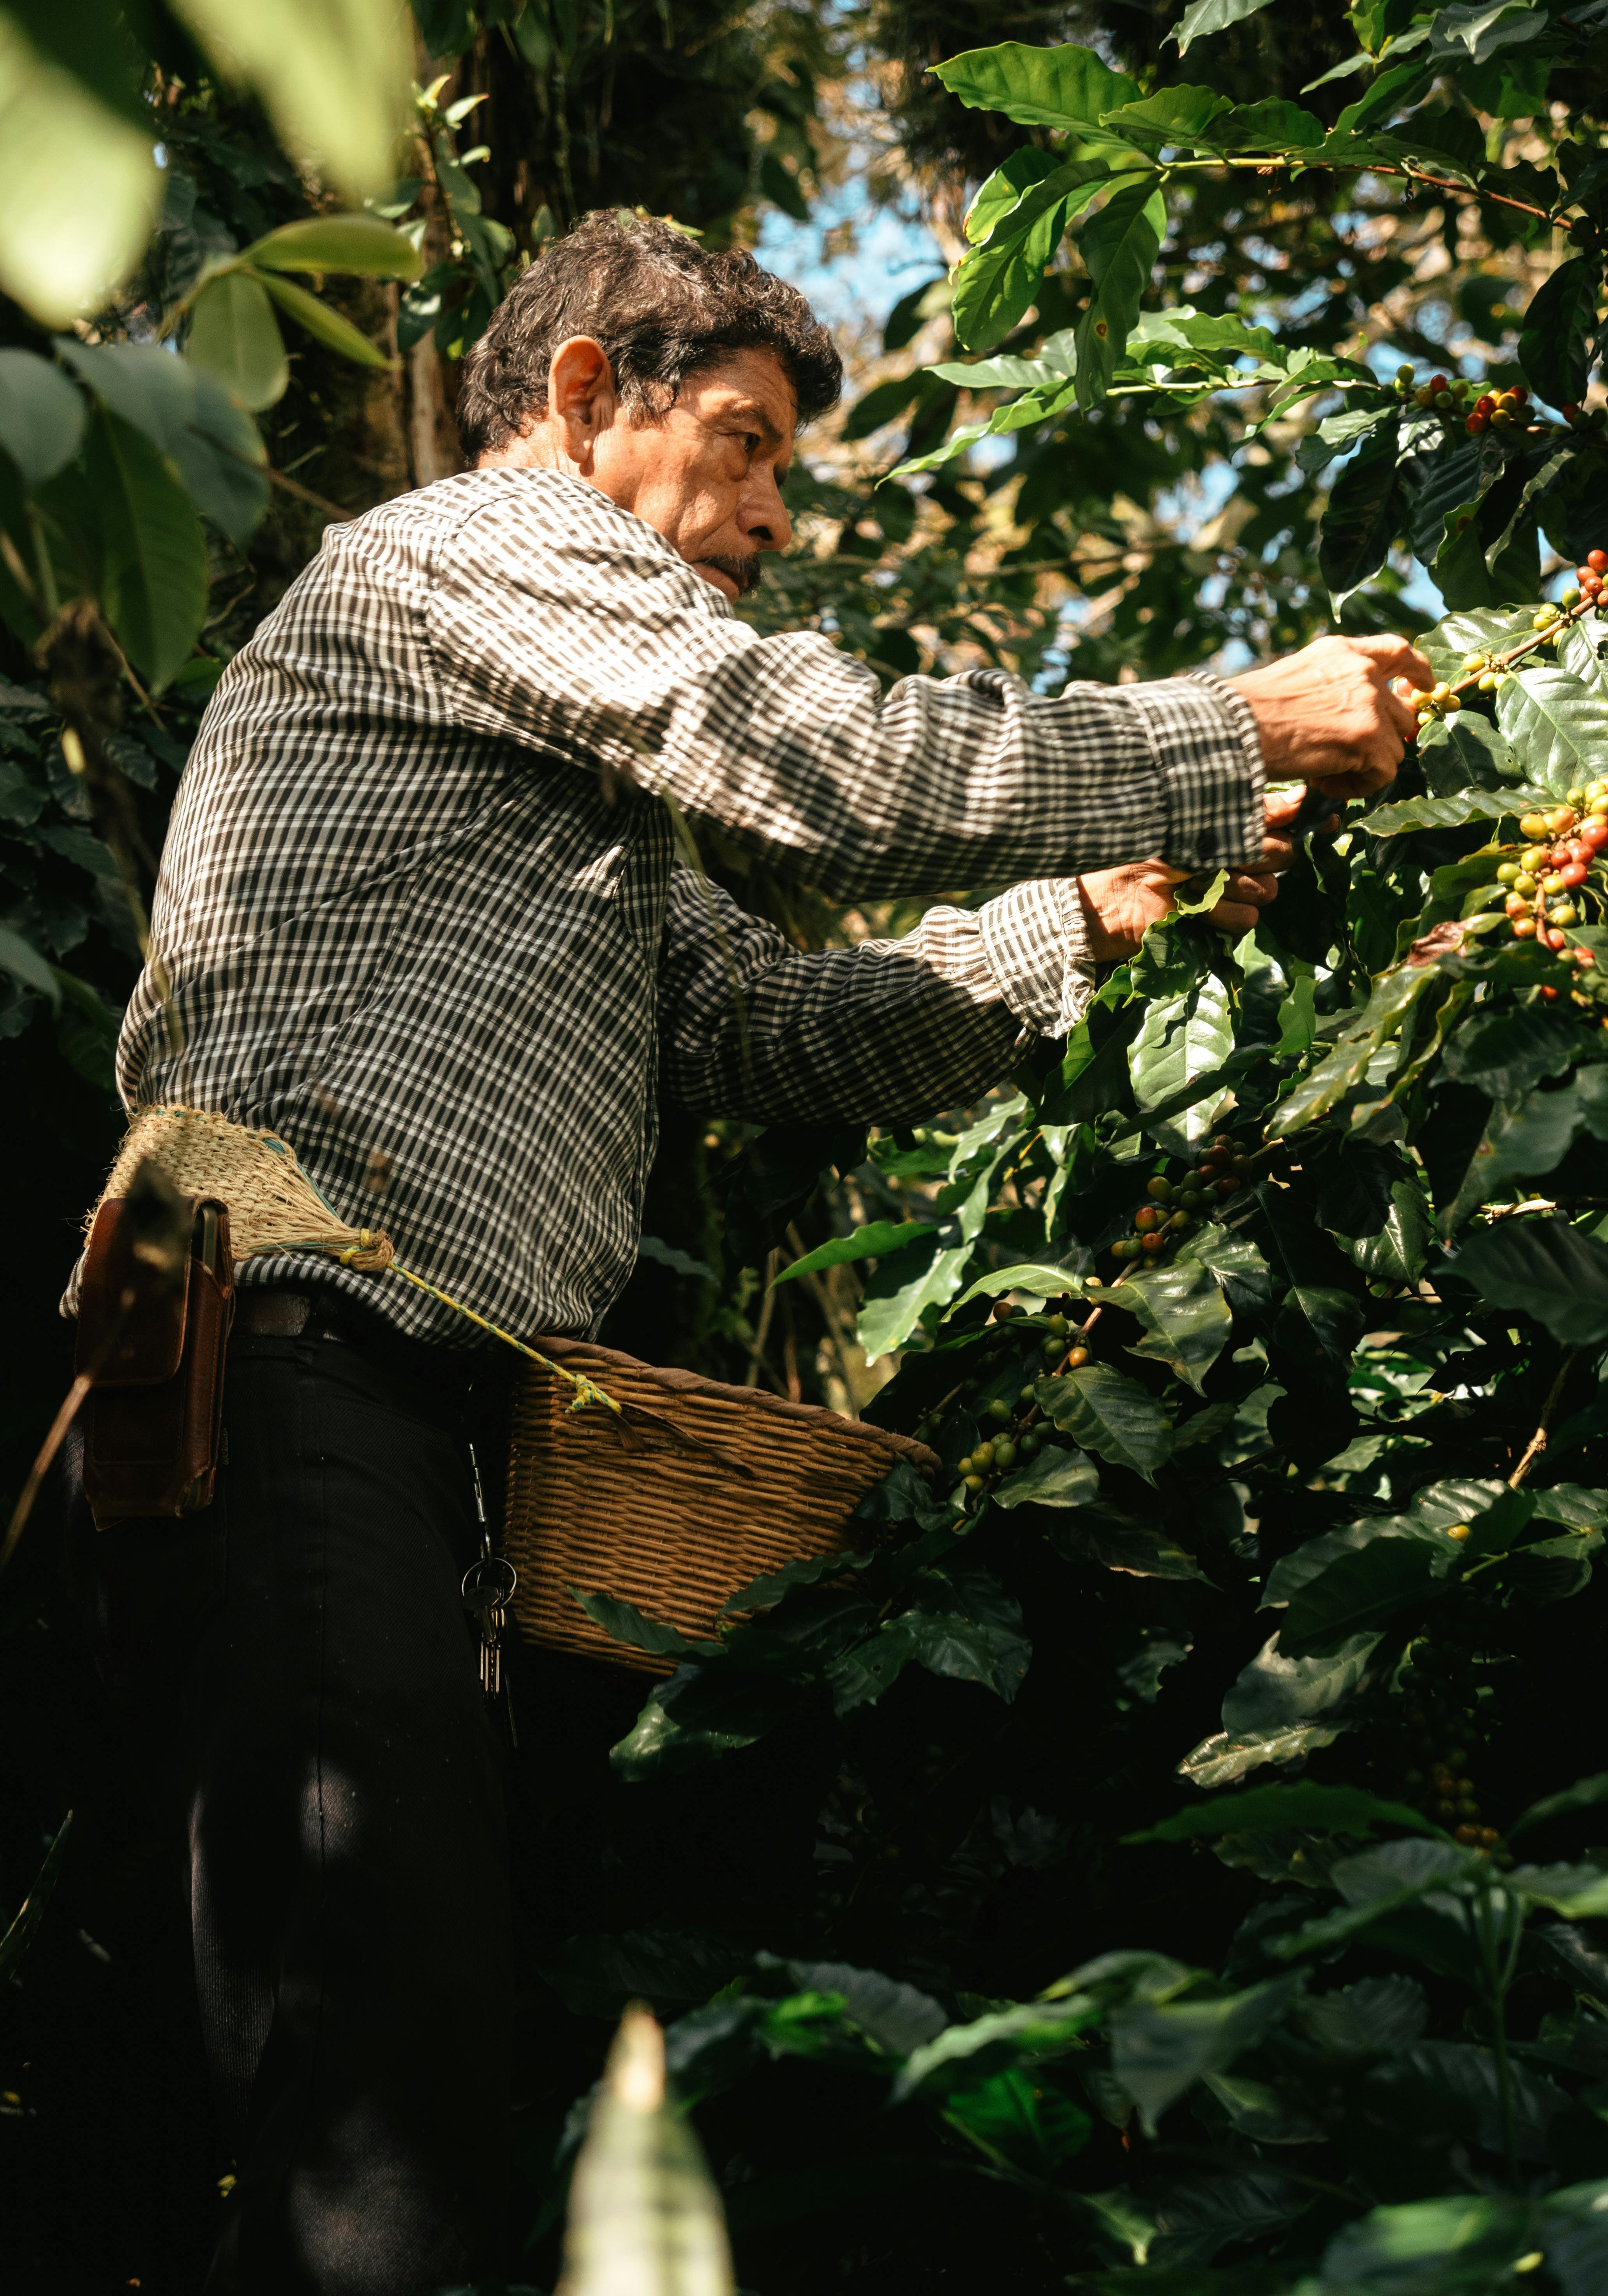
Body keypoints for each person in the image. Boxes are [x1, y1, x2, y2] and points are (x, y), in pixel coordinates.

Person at [78, 211, 1428, 2293]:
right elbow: (840, 767)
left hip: (404, 1437)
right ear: (587, 399)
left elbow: (765, 1030)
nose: (780, 515)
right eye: (754, 441)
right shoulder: (472, 550)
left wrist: (1096, 924)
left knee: (281, 2069)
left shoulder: (568, 787)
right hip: (287, 1356)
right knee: (388, 2060)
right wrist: (1233, 722)